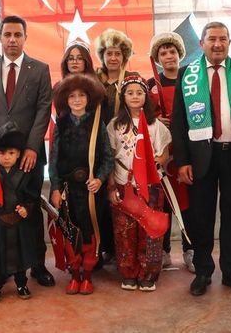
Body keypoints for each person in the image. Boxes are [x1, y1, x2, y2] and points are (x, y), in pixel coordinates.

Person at [172, 22, 231, 298]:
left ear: (229, 43)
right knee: (201, 218)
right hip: (201, 156)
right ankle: (203, 271)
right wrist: (182, 161)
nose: (217, 44)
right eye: (211, 39)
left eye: (223, 39)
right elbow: (178, 121)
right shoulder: (187, 74)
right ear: (201, 43)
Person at [0, 15, 55, 287]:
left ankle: (37, 265)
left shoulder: (39, 69)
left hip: (29, 154)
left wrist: (32, 147)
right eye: (8, 35)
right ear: (0, 38)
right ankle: (3, 267)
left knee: (29, 208)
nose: (12, 40)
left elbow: (43, 109)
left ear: (25, 38)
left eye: (18, 35)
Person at [49, 73, 113, 295]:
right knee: (70, 231)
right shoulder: (61, 124)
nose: (77, 100)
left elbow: (108, 158)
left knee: (89, 231)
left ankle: (87, 276)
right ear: (65, 99)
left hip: (91, 190)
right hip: (67, 190)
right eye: (72, 96)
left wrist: (100, 179)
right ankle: (74, 274)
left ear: (89, 98)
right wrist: (55, 188)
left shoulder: (97, 123)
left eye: (82, 95)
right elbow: (54, 159)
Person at [107, 75, 172, 292]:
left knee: (150, 231)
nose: (135, 96)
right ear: (123, 97)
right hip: (123, 183)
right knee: (124, 232)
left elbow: (164, 154)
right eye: (130, 93)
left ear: (146, 96)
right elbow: (109, 158)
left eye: (139, 92)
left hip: (150, 186)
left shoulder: (155, 126)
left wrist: (156, 162)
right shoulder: (115, 125)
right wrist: (111, 186)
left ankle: (148, 275)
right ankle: (128, 273)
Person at [146, 31, 194, 272]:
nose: (168, 56)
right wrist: (155, 120)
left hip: (187, 151)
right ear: (157, 58)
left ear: (179, 54)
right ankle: (163, 250)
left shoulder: (190, 79)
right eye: (163, 53)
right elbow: (143, 114)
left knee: (187, 204)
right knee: (163, 202)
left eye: (172, 51)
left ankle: (190, 249)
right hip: (162, 153)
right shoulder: (150, 85)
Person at [0, 126, 43, 303]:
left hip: (19, 223)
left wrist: (26, 208)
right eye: (2, 153)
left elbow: (32, 196)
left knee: (20, 257)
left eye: (11, 153)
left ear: (18, 154)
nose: (6, 157)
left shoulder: (25, 174)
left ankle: (21, 284)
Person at [94, 28, 138, 263]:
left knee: (122, 196)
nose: (113, 58)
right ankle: (104, 248)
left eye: (117, 54)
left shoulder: (132, 78)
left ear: (124, 56)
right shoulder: (93, 79)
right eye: (109, 53)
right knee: (102, 198)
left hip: (124, 146)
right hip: (97, 144)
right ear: (102, 55)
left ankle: (123, 248)